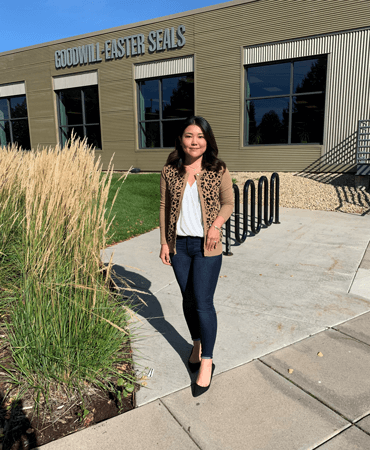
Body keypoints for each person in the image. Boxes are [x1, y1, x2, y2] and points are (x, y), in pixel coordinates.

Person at [159, 116, 233, 397]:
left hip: (207, 248)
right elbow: (165, 206)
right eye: (189, 135)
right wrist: (165, 243)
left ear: (207, 140)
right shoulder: (170, 170)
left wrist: (215, 226)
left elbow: (228, 203)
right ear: (181, 139)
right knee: (188, 300)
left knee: (203, 302)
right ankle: (197, 342)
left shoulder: (218, 169)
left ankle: (207, 360)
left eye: (200, 136)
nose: (195, 141)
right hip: (179, 247)